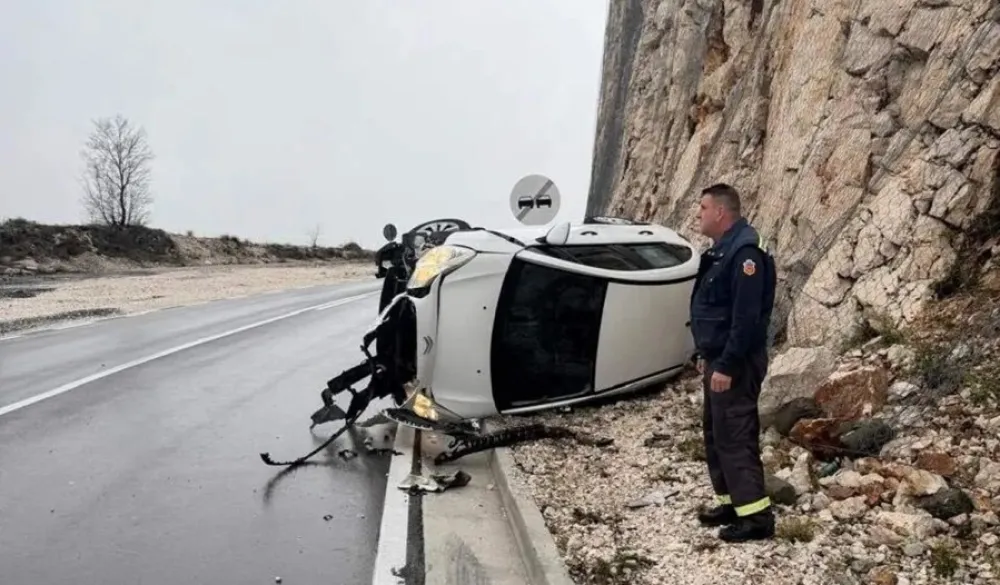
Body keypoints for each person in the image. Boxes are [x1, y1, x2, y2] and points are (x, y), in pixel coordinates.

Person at [688, 182, 777, 542]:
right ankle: (731, 503)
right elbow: (714, 311)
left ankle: (756, 519)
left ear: (721, 213)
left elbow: (746, 320)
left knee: (736, 436)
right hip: (719, 359)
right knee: (717, 433)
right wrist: (705, 355)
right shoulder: (724, 252)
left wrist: (725, 365)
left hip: (736, 364)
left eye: (703, 208)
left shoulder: (746, 256)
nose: (699, 214)